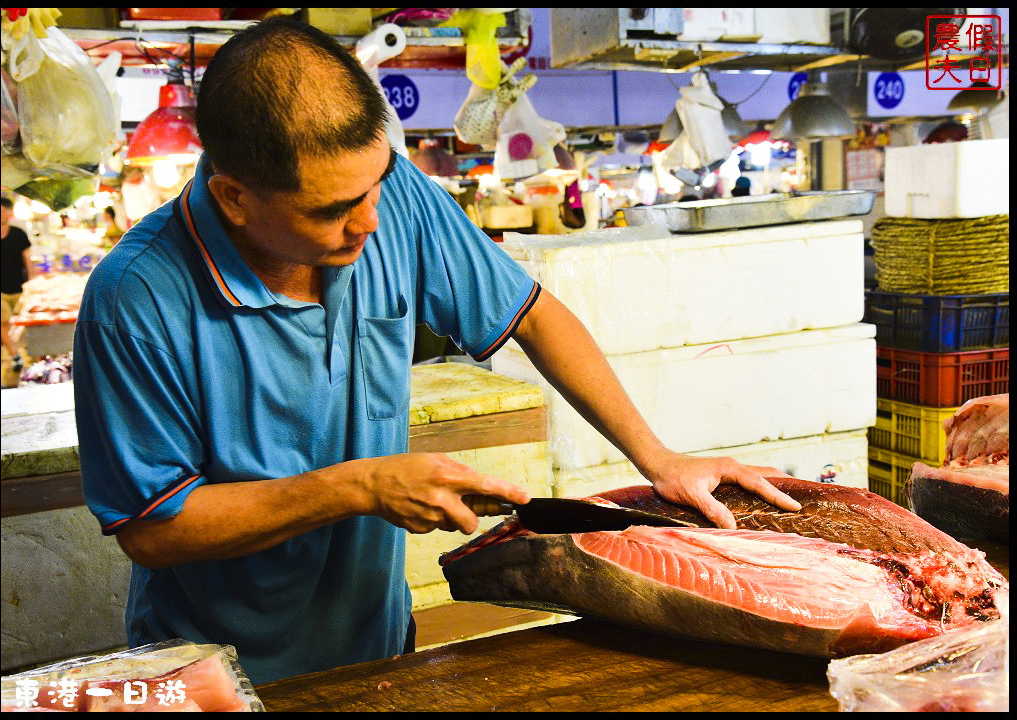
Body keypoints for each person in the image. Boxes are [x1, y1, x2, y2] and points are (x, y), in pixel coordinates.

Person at [73, 18, 801, 685]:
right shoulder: (134, 298)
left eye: (377, 184)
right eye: (330, 210)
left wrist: (659, 459)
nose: (370, 223)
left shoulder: (398, 204)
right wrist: (361, 486)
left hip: (379, 646)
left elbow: (536, 316)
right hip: (214, 675)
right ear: (234, 198)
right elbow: (153, 529)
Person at [1, 196, 35, 363]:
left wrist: (31, 283)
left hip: (19, 287)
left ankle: (24, 354)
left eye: (4, 211)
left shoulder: (18, 234)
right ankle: (15, 355)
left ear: (9, 213)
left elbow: (27, 259)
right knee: (3, 323)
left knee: (22, 324)